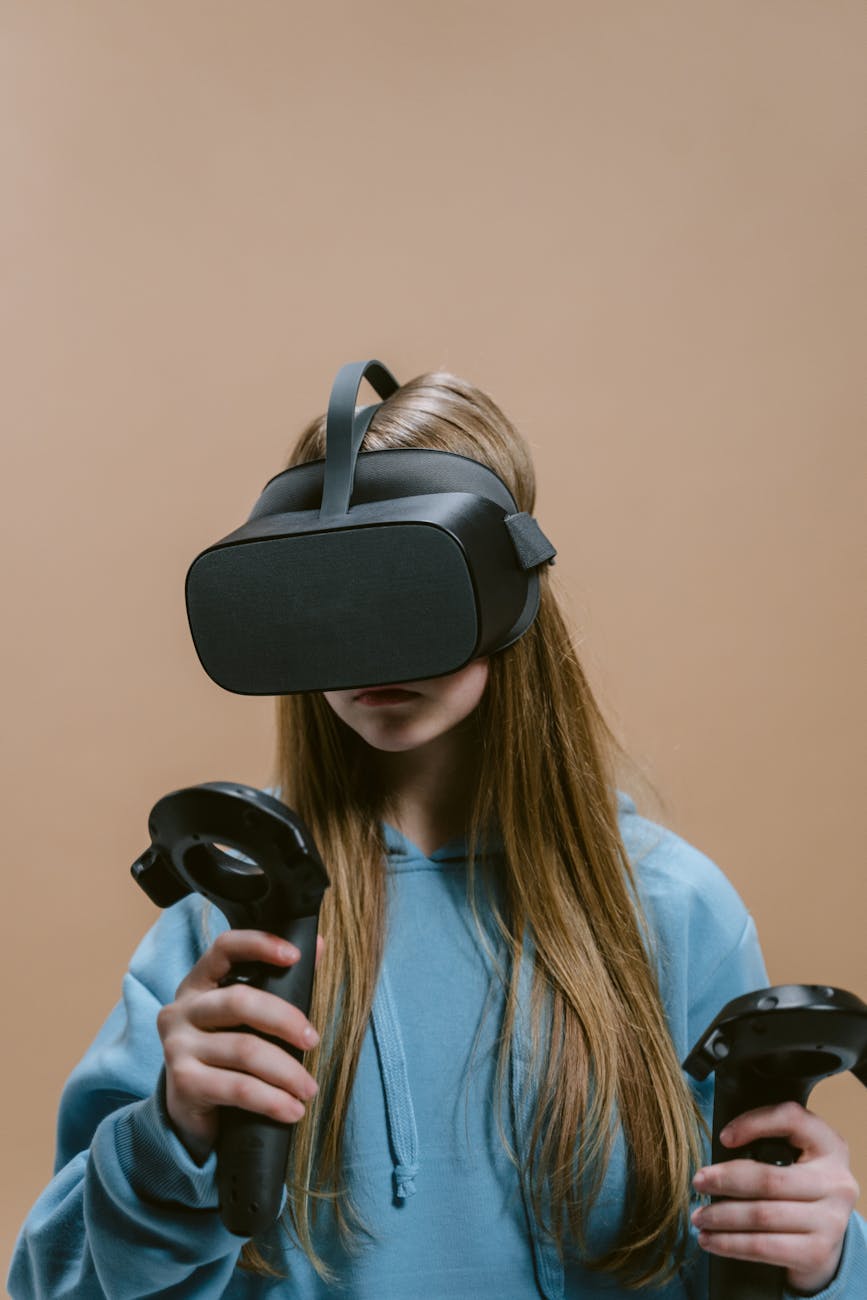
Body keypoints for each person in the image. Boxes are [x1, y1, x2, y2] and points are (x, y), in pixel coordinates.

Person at [9, 370, 865, 1299]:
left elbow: (743, 1247)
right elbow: (59, 1285)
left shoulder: (671, 910)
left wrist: (823, 1259)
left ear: (509, 589)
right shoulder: (236, 925)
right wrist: (170, 1140)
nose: (373, 646)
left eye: (409, 587)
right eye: (332, 594)